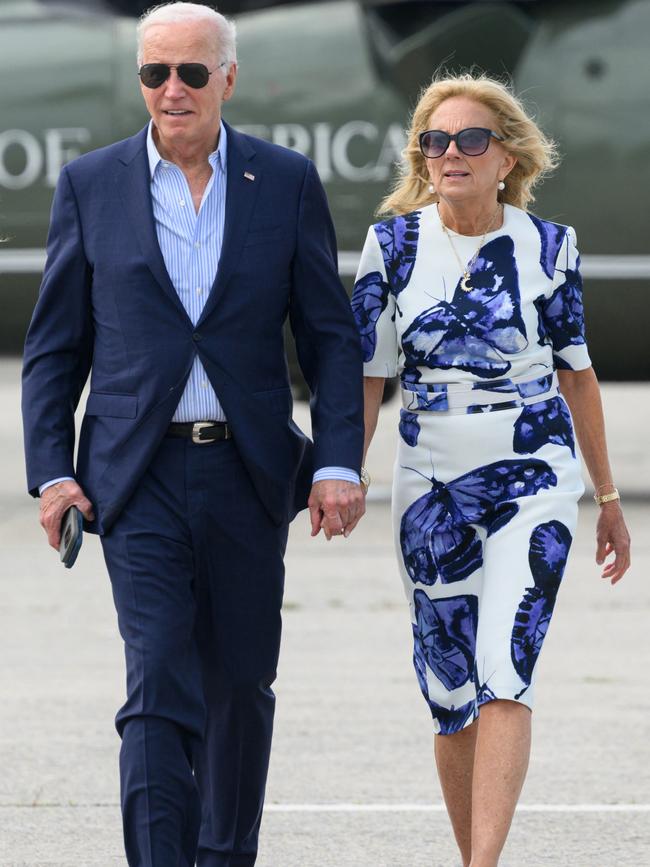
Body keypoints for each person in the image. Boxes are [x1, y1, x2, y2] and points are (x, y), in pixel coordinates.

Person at [22, 3, 365, 865]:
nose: (171, 90)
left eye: (191, 73)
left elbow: (328, 337)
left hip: (249, 472)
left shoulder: (284, 181)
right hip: (135, 478)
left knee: (241, 684)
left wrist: (336, 460)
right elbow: (56, 348)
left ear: (229, 79)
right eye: (154, 73)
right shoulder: (91, 185)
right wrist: (51, 474)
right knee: (157, 683)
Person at [352, 73, 630, 867]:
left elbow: (577, 372)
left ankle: (484, 865)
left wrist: (607, 497)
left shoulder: (551, 246)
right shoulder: (393, 245)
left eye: (471, 140)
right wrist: (345, 470)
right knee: (450, 692)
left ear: (505, 156)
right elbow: (369, 374)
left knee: (506, 669)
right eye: (435, 142)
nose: (450, 154)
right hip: (429, 482)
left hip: (535, 475)